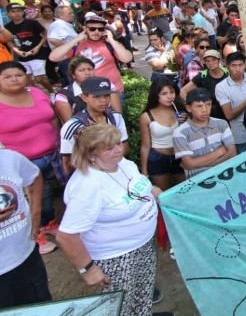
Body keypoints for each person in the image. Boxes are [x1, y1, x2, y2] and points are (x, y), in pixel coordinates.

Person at [56, 124, 160, 316]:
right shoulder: (87, 185)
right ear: (91, 155)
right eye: (109, 148)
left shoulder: (124, 164)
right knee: (121, 308)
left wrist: (160, 194)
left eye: (118, 143)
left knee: (142, 297)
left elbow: (143, 188)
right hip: (116, 259)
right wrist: (88, 269)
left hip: (142, 247)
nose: (118, 149)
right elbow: (66, 236)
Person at [0, 61, 60, 254]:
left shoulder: (36, 93)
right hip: (23, 162)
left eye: (18, 74)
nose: (14, 79)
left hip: (53, 154)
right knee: (31, 200)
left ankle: (49, 224)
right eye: (7, 77)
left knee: (48, 195)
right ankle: (36, 235)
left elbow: (52, 117)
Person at [0, 145, 52, 308]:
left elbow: (34, 176)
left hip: (26, 257)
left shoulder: (9, 158)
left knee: (41, 308)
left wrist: (35, 216)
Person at [49, 12, 133, 101]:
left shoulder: (111, 45)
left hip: (111, 91)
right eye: (92, 29)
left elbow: (127, 59)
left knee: (115, 115)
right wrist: (76, 39)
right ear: (85, 29)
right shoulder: (77, 45)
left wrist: (112, 40)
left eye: (100, 29)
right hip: (86, 94)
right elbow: (53, 57)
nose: (96, 32)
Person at [60, 76, 129, 173]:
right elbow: (68, 164)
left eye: (106, 95)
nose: (103, 100)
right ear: (84, 97)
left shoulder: (116, 117)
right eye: (96, 96)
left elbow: (124, 147)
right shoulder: (72, 126)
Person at [173, 88, 237, 179]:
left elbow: (232, 153)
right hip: (200, 184)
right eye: (199, 106)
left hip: (226, 177)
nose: (205, 110)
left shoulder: (222, 124)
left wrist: (200, 164)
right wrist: (220, 152)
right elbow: (189, 164)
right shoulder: (180, 133)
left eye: (208, 105)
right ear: (188, 108)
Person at [139, 78, 187, 192]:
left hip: (178, 155)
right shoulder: (146, 116)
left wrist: (187, 119)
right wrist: (144, 172)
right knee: (164, 194)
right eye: (164, 93)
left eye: (172, 92)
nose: (169, 96)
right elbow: (145, 146)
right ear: (156, 95)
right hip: (158, 158)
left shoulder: (179, 111)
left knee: (185, 189)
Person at [53, 56, 122, 122]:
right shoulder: (63, 95)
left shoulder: (106, 85)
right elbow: (70, 123)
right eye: (81, 70)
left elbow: (117, 114)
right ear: (73, 75)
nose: (87, 73)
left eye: (90, 69)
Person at [216, 52, 246, 153]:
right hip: (241, 135)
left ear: (245, 65)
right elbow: (229, 115)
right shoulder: (221, 87)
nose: (237, 69)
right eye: (233, 66)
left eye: (240, 65)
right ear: (227, 66)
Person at [4, 3, 53, 93]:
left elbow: (45, 34)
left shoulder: (32, 23)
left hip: (38, 53)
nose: (16, 13)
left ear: (23, 12)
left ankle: (52, 92)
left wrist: (38, 47)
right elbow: (8, 41)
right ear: (8, 14)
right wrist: (17, 51)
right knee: (27, 79)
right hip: (22, 55)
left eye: (19, 11)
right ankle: (34, 95)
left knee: (39, 78)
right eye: (13, 11)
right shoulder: (7, 27)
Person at [180, 49, 228, 120]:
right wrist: (193, 109)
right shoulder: (202, 76)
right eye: (207, 61)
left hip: (226, 110)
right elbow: (183, 92)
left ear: (219, 60)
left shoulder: (227, 72)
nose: (210, 63)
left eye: (213, 60)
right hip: (210, 114)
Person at [46, 5, 78, 88]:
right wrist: (68, 50)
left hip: (69, 55)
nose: (72, 15)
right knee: (71, 82)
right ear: (60, 15)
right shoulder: (58, 24)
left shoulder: (63, 24)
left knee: (69, 81)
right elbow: (53, 39)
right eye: (69, 13)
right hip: (67, 57)